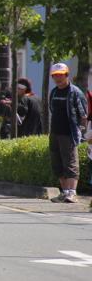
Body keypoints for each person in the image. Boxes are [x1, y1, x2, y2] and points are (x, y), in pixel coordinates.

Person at [47, 63, 87, 204]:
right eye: (55, 75)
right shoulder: (54, 92)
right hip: (55, 132)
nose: (58, 78)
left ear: (66, 75)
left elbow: (83, 115)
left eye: (61, 75)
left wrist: (81, 132)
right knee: (57, 163)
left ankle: (72, 192)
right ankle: (64, 192)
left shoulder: (75, 92)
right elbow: (52, 109)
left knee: (70, 162)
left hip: (69, 133)